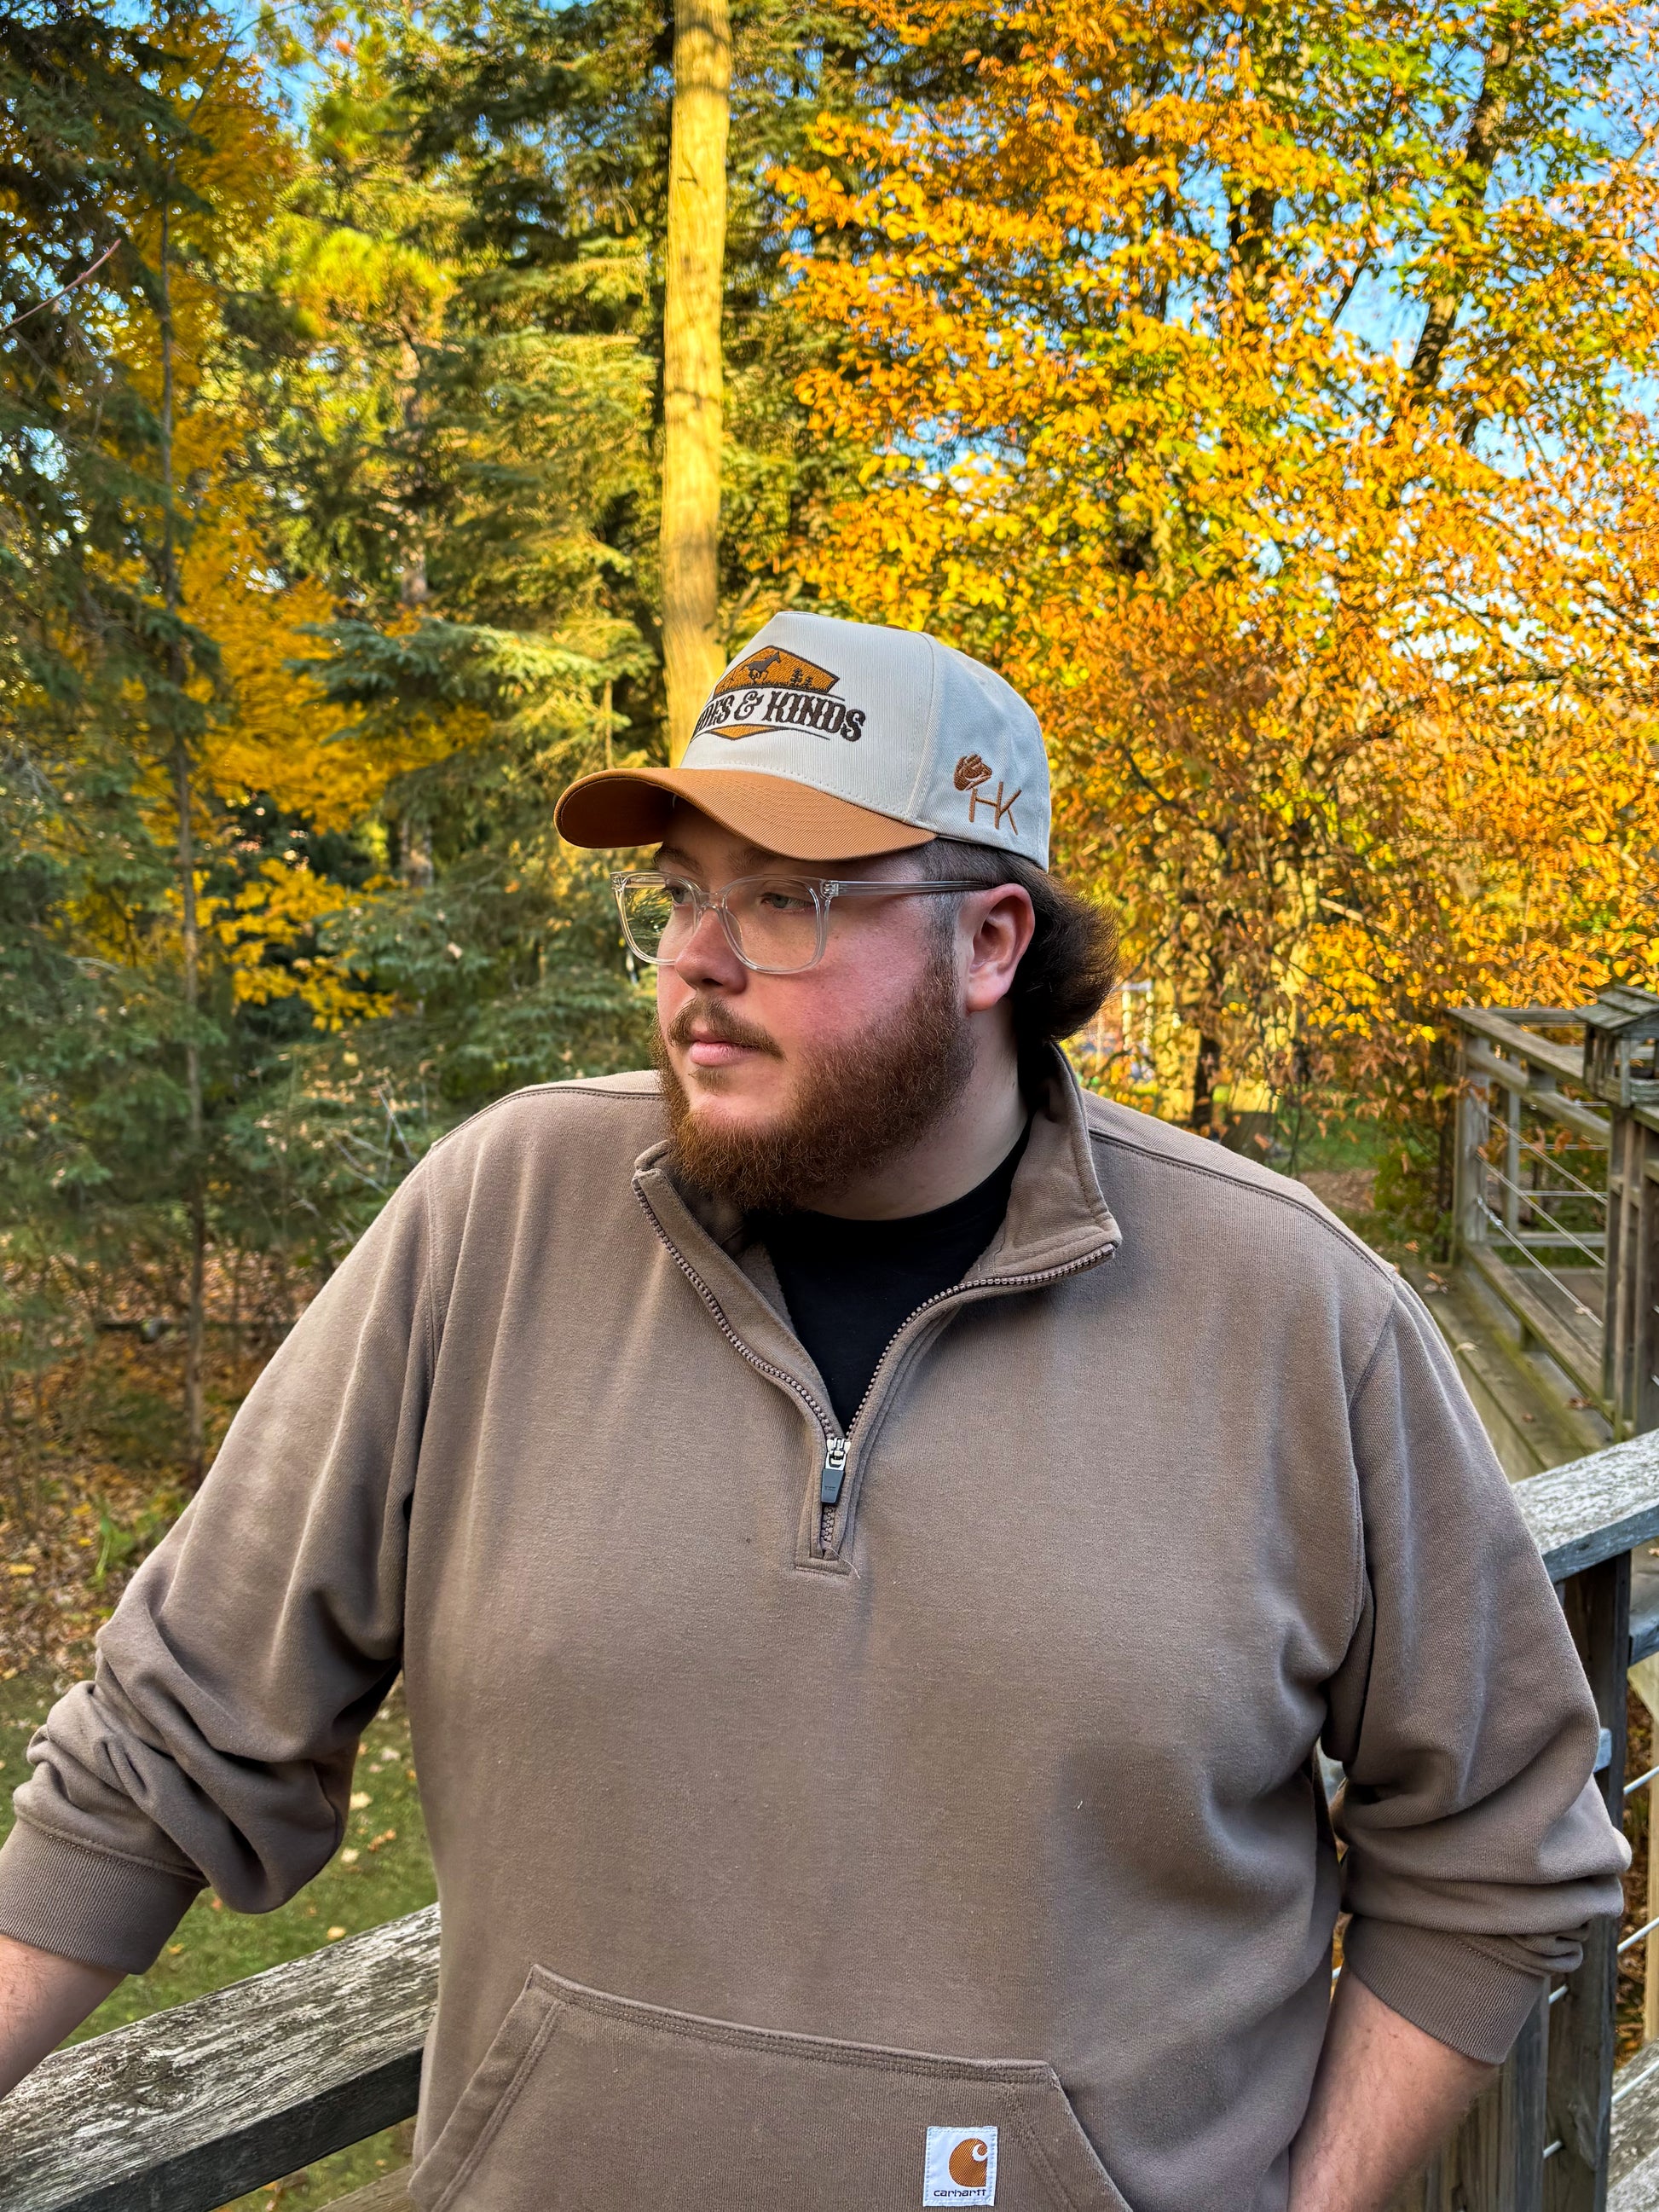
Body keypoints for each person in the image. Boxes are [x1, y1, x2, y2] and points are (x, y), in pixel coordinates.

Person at [0, 612, 1627, 2212]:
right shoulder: (496, 1218)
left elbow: (1503, 1844)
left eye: (786, 897)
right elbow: (162, 1747)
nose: (696, 961)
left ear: (989, 944)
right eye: (680, 895)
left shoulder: (1293, 1313)